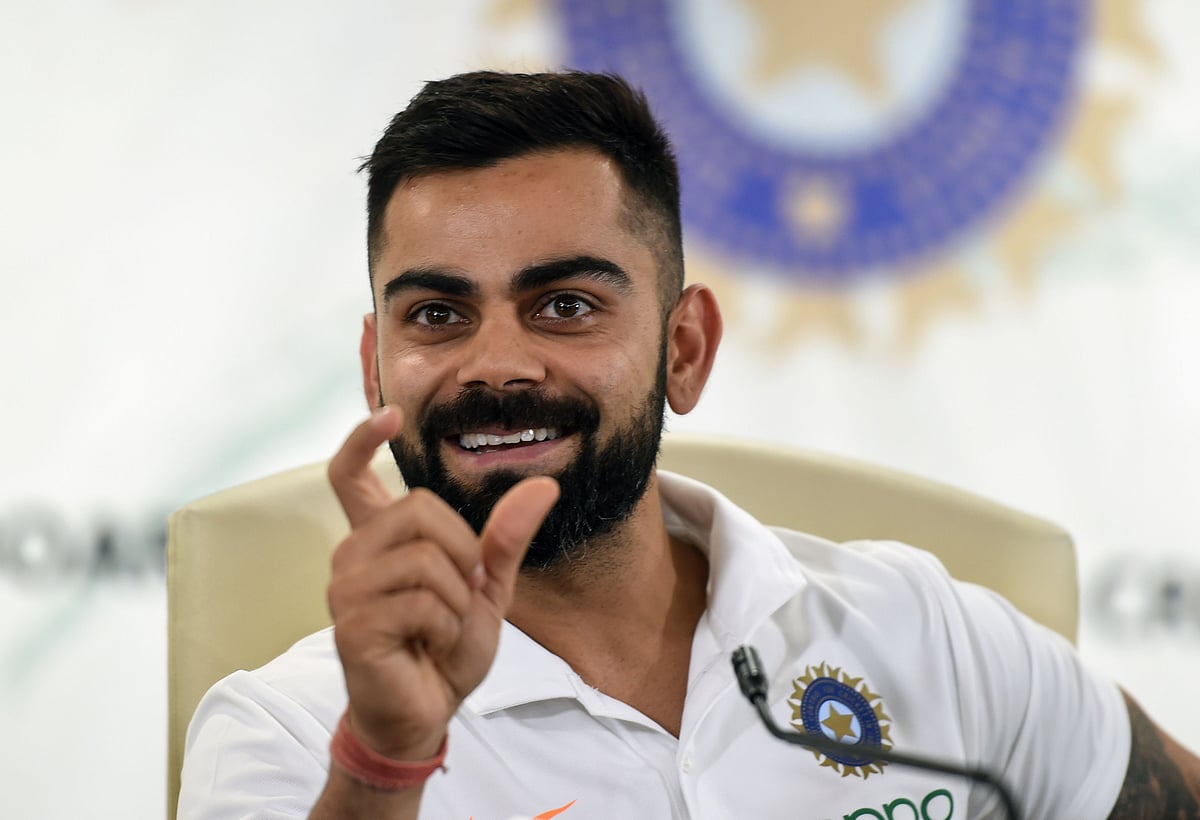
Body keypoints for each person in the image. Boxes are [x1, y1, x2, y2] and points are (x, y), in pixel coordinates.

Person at [177, 71, 1200, 820]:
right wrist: (386, 761)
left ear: (685, 347)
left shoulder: (922, 632)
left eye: (565, 304)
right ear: (374, 367)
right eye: (437, 315)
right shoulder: (283, 734)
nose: (498, 366)